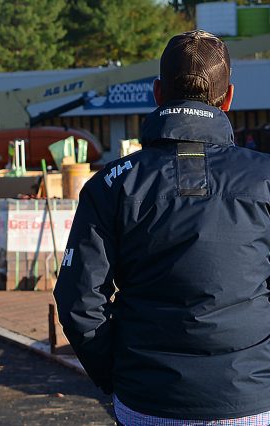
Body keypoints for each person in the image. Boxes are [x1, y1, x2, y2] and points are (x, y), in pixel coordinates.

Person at [53, 30, 270, 424]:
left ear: (157, 93)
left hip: (147, 400)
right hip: (250, 399)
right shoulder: (263, 177)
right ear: (229, 98)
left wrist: (116, 376)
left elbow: (77, 300)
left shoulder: (112, 183)